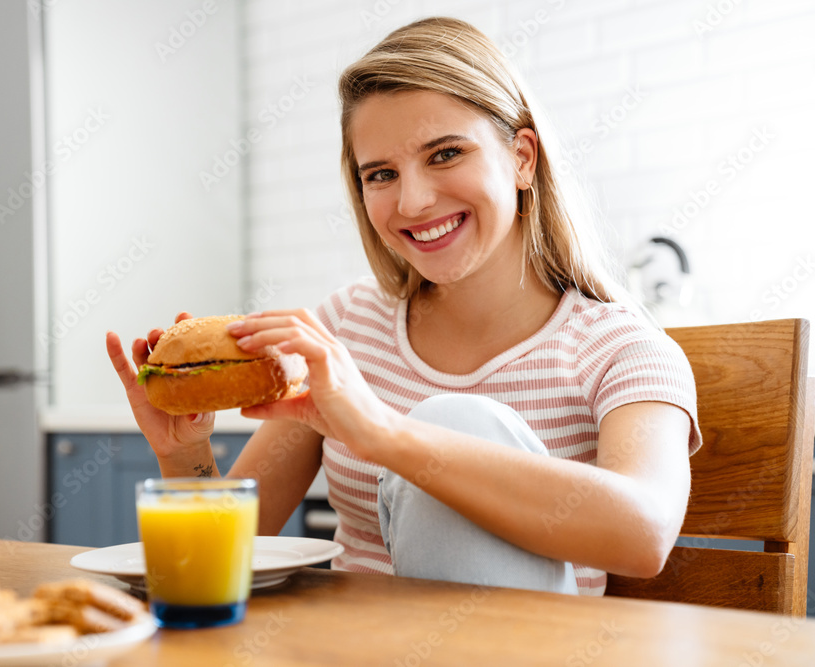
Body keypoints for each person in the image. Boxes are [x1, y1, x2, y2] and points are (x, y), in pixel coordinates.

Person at [106, 16, 701, 596]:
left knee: (459, 423)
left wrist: (383, 433)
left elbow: (644, 534)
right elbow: (218, 556)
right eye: (381, 174)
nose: (412, 201)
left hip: (520, 650)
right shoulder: (345, 331)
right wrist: (184, 454)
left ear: (522, 157)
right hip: (344, 651)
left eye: (445, 154)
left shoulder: (621, 348)